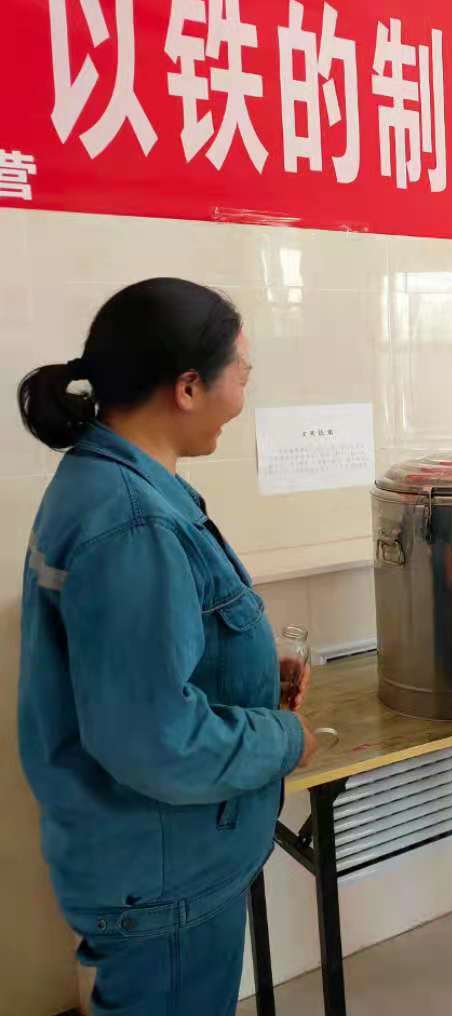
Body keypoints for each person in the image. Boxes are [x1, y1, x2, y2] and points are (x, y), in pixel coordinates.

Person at [17, 278, 319, 1015]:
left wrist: (247, 670)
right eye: (241, 373)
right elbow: (155, 740)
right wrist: (286, 739)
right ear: (188, 387)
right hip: (162, 874)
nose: (243, 392)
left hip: (149, 858)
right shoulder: (132, 520)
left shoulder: (110, 480)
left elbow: (136, 664)